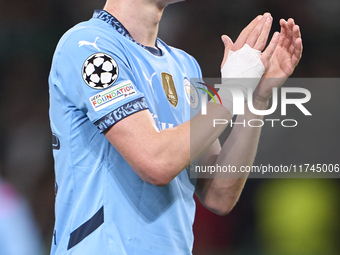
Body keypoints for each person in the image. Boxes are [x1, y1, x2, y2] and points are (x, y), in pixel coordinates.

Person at [48, 0, 302, 254]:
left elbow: (219, 194)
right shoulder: (87, 45)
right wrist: (232, 91)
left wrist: (256, 97)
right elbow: (155, 163)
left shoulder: (185, 65)